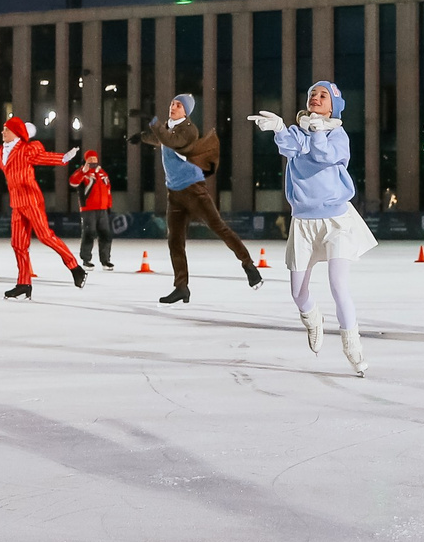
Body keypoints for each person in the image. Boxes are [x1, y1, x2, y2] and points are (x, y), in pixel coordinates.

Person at [252, 80, 375, 374]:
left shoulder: (338, 135)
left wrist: (319, 131)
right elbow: (291, 147)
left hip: (336, 220)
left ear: (334, 105)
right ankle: (313, 319)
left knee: (338, 284)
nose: (316, 98)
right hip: (304, 222)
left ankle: (352, 345)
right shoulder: (299, 131)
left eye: (323, 95)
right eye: (312, 94)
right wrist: (281, 128)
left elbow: (325, 157)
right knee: (298, 292)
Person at [133, 94, 261, 304]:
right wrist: (142, 137)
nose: (173, 106)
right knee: (175, 241)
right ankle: (181, 287)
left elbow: (171, 141)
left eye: (179, 105)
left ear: (187, 112)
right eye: (172, 103)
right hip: (174, 194)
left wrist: (152, 121)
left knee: (219, 227)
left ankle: (248, 265)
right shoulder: (168, 127)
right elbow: (160, 139)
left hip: (194, 191)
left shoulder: (189, 130)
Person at [0, 117, 86, 299]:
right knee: (18, 244)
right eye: (3, 129)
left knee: (45, 236)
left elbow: (43, 157)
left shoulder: (26, 149)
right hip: (17, 203)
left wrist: (63, 158)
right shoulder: (1, 152)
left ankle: (75, 267)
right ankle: (24, 283)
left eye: (6, 130)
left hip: (31, 199)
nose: (2, 132)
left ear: (16, 133)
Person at [69, 148, 115, 268]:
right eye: (90, 159)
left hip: (102, 209)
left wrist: (108, 205)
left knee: (105, 234)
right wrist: (83, 171)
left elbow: (108, 190)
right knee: (89, 233)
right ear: (86, 161)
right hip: (88, 209)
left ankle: (105, 260)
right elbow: (73, 182)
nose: (93, 161)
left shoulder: (103, 173)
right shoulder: (83, 173)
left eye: (94, 159)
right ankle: (86, 259)